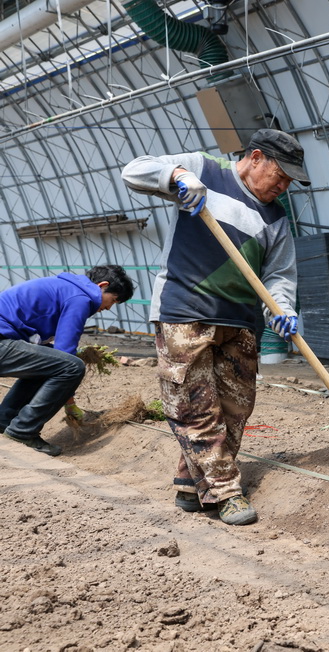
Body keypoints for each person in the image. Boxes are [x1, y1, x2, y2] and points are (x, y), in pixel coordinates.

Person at [121, 128, 309, 526]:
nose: (284, 186)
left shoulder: (276, 217)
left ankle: (190, 485)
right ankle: (226, 493)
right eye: (280, 175)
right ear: (255, 158)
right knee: (194, 407)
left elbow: (279, 274)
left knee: (236, 408)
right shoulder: (204, 170)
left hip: (240, 320)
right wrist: (177, 177)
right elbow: (134, 170)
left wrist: (282, 307)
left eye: (290, 181)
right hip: (184, 309)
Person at [0, 265, 135, 456]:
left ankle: (4, 420)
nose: (108, 308)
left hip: (4, 339)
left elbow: (48, 347)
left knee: (49, 360)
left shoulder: (66, 287)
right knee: (72, 367)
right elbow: (66, 352)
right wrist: (69, 402)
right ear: (102, 285)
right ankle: (23, 431)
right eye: (113, 300)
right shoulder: (80, 298)